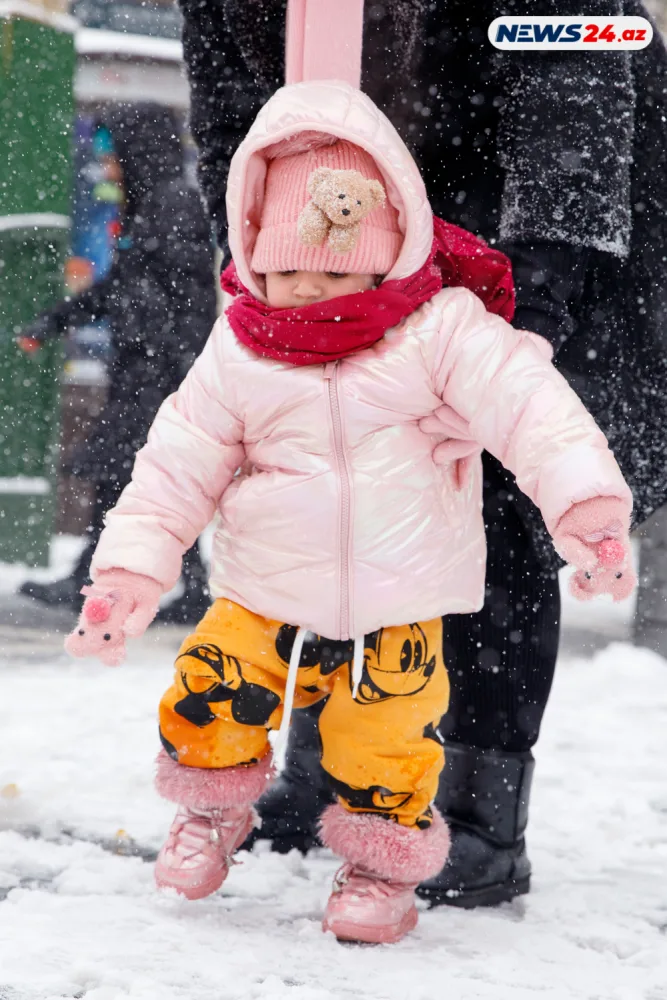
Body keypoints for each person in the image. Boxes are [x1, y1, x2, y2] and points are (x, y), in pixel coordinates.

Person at [64, 79, 634, 944]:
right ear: (256, 259)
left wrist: (587, 510)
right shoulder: (243, 345)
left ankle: (380, 865)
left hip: (401, 596)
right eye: (286, 271)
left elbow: (534, 411)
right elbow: (176, 465)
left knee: (390, 737)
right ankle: (214, 811)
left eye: (333, 273)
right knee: (210, 691)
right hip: (261, 584)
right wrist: (128, 573)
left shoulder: (439, 332)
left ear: (387, 255)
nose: (306, 295)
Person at [175, 0, 667, 907]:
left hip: (522, 223)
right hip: (333, 232)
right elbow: (229, 116)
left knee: (494, 514)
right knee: (334, 485)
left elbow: (573, 85)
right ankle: (328, 772)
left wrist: (538, 297)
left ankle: (480, 819)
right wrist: (257, 264)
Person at [18, 103, 216, 625]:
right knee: (131, 478)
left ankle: (110, 577)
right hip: (145, 371)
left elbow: (184, 298)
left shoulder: (173, 206)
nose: (107, 167)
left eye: (110, 153)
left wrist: (161, 361)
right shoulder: (153, 204)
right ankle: (160, 582)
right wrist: (57, 320)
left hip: (157, 376)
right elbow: (124, 288)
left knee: (133, 476)